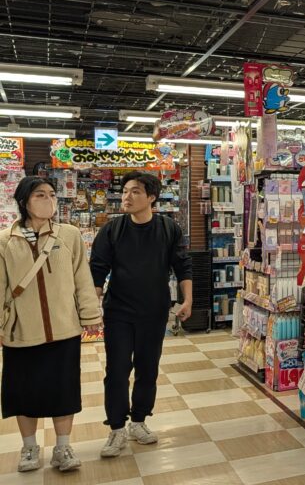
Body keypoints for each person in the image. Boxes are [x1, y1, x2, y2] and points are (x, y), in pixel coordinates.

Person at [0, 177, 102, 472]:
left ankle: (62, 447)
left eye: (52, 194)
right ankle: (29, 447)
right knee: (23, 392)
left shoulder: (69, 234)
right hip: (21, 331)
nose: (49, 200)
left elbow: (82, 278)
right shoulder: (6, 240)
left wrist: (90, 315)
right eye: (40, 195)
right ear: (24, 202)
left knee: (63, 391)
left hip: (64, 329)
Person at [90, 172, 193, 458]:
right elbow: (97, 269)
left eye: (135, 191)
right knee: (117, 370)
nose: (127, 196)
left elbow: (182, 265)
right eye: (125, 191)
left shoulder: (168, 228)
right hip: (118, 311)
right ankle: (116, 428)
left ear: (151, 197)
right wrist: (91, 307)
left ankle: (138, 421)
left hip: (154, 311)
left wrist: (187, 299)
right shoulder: (112, 229)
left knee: (148, 369)